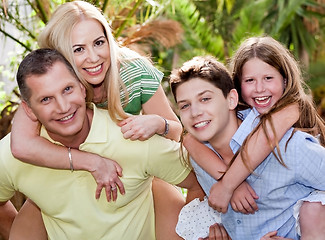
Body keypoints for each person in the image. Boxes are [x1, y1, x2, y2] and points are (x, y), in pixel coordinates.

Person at [9, 1, 185, 239]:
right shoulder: (53, 82)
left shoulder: (132, 71)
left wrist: (157, 123)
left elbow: (176, 132)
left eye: (99, 43)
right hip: (68, 177)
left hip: (134, 174)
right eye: (78, 49)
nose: (93, 58)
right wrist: (91, 161)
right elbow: (21, 145)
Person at [170, 53, 325, 239]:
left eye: (205, 99)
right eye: (185, 106)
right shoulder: (200, 158)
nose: (195, 112)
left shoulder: (289, 147)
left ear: (232, 99)